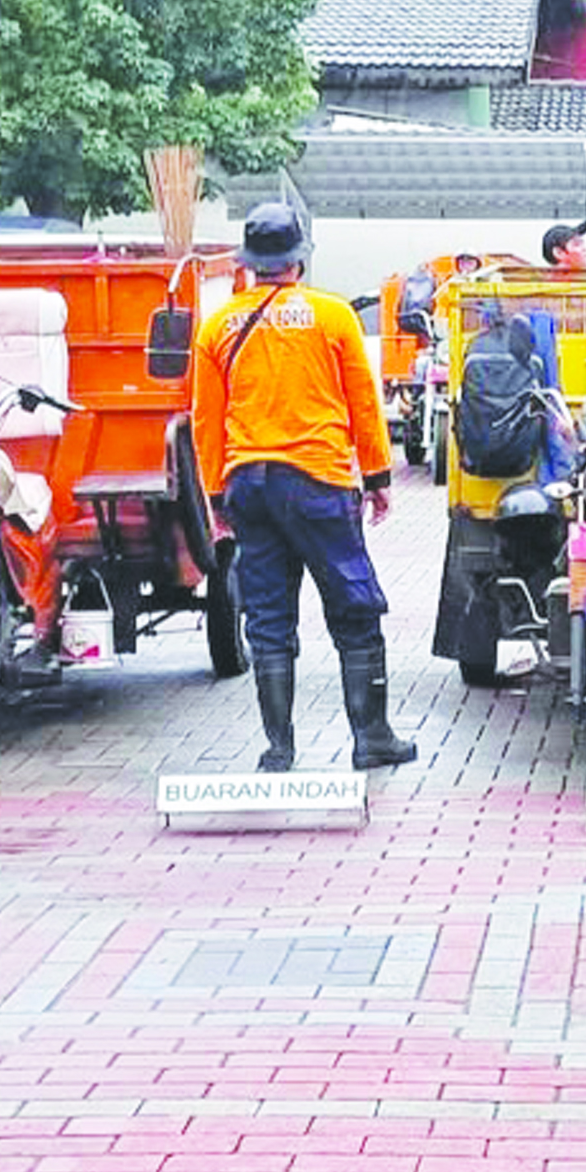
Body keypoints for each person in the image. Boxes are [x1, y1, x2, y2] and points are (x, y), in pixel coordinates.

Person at [194, 202, 416, 775]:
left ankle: (279, 749)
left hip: (249, 484)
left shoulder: (216, 327)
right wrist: (378, 476)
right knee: (354, 605)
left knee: (267, 616)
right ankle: (371, 739)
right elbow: (363, 403)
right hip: (317, 482)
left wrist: (217, 497)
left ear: (249, 264)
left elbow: (205, 419)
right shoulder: (331, 315)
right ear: (296, 260)